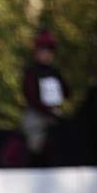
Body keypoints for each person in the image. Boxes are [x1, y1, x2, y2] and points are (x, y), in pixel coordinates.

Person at [21, 29, 70, 161]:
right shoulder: (31, 72)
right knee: (36, 143)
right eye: (43, 50)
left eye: (50, 50)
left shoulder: (55, 72)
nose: (47, 54)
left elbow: (66, 93)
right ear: (36, 52)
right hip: (37, 117)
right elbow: (31, 98)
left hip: (56, 114)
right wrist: (48, 112)